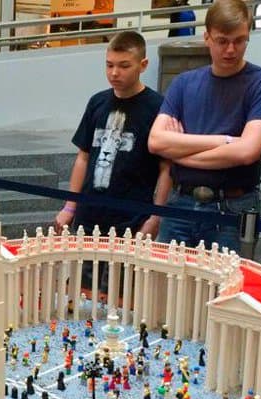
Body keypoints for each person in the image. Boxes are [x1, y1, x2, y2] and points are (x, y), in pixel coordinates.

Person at [149, 0, 261, 253]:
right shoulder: (183, 83)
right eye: (222, 41)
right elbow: (156, 142)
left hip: (232, 207)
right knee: (167, 286)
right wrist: (225, 140)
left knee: (227, 288)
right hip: (180, 202)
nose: (231, 49)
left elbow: (247, 152)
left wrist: (180, 152)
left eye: (240, 40)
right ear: (207, 38)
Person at [54, 31, 171, 292]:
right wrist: (70, 206)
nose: (114, 73)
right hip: (89, 213)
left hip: (131, 217)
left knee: (121, 291)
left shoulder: (157, 108)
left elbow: (166, 169)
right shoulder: (97, 102)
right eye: (109, 65)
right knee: (83, 288)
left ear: (143, 65)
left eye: (123, 65)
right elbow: (83, 157)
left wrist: (156, 216)